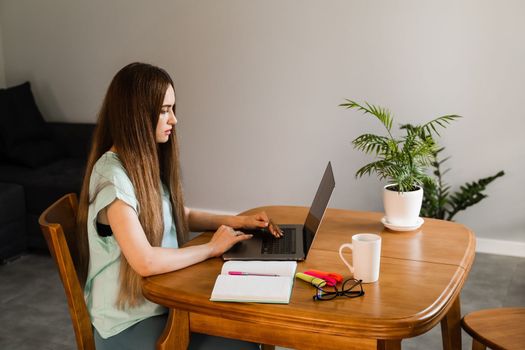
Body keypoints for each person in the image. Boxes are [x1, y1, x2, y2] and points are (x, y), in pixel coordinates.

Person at [76, 62, 280, 349]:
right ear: (136, 115)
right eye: (163, 110)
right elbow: (145, 261)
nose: (174, 120)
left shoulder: (138, 163)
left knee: (248, 330)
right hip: (128, 324)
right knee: (243, 342)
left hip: (158, 305)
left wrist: (238, 221)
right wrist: (211, 248)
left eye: (172, 109)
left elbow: (175, 213)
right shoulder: (113, 179)